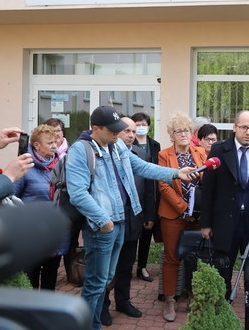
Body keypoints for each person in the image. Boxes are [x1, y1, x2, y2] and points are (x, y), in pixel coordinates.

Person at [66, 106, 198, 330]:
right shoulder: (81, 150)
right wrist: (103, 221)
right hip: (102, 226)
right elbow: (78, 194)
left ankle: (94, 322)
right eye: (113, 129)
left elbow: (142, 167)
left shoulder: (115, 145)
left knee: (106, 278)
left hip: (120, 221)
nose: (119, 133)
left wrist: (176, 173)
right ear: (95, 129)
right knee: (96, 282)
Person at [201, 110, 249, 330]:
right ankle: (220, 319)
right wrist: (206, 223)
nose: (248, 132)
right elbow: (209, 190)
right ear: (234, 127)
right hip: (226, 222)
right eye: (244, 127)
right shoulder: (219, 150)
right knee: (222, 273)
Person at [101, 117, 154, 324]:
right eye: (126, 131)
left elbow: (149, 187)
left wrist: (149, 215)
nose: (131, 135)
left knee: (126, 265)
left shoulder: (140, 154)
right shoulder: (104, 155)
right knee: (106, 269)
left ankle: (123, 301)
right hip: (110, 223)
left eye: (133, 131)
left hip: (133, 221)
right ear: (116, 132)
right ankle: (103, 306)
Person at [157, 112, 207, 322]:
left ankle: (193, 296)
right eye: (179, 131)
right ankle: (170, 299)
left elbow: (208, 180)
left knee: (194, 258)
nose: (184, 134)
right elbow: (163, 184)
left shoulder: (200, 152)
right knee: (172, 258)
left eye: (187, 130)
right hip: (173, 215)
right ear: (172, 135)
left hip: (197, 217)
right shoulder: (164, 155)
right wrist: (183, 207)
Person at [13, 124, 67, 290]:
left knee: (51, 276)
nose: (54, 146)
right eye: (49, 142)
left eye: (55, 142)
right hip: (32, 233)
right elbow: (12, 199)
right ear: (36, 145)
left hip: (55, 230)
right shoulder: (24, 166)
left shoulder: (63, 165)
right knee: (31, 277)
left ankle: (46, 311)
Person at [131, 111, 161, 282]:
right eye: (137, 124)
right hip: (134, 193)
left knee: (146, 233)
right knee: (131, 236)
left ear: (148, 126)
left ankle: (142, 266)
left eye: (144, 124)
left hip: (151, 194)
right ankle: (127, 266)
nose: (141, 128)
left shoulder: (155, 145)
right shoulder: (128, 144)